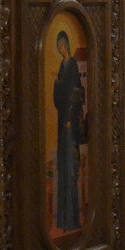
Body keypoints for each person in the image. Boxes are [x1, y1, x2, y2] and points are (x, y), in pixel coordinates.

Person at [53, 31, 84, 234]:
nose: (61, 49)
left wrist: (71, 119)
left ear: (67, 46)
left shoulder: (72, 64)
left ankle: (72, 221)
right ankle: (63, 220)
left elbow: (76, 92)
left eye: (63, 46)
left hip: (69, 123)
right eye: (58, 47)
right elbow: (59, 96)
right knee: (63, 168)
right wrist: (56, 84)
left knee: (71, 169)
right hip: (62, 121)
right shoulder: (62, 66)